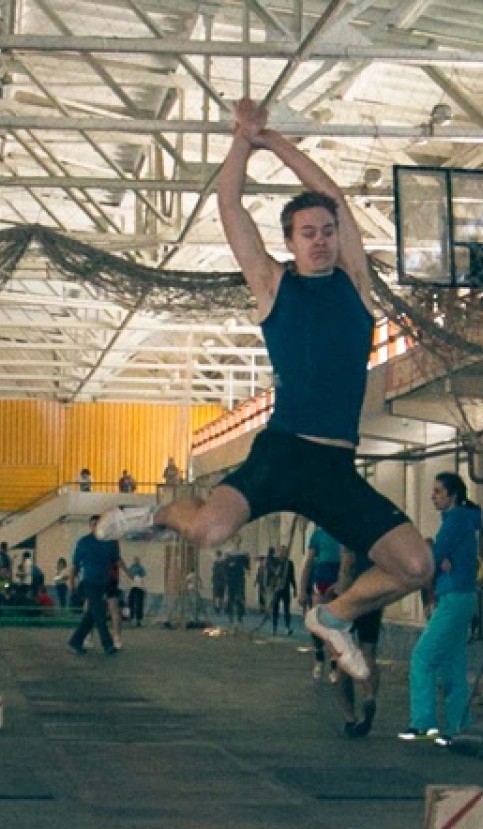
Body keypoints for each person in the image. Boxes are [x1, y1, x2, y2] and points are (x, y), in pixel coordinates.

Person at [93, 96, 431, 685]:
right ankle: (155, 513)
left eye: (327, 232)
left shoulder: (355, 285)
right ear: (291, 243)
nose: (321, 241)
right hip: (282, 452)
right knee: (208, 531)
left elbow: (335, 196)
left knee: (416, 565)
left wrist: (274, 139)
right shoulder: (273, 285)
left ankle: (334, 616)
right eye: (308, 234)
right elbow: (229, 205)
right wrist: (241, 140)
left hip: (335, 467)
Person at [401, 472, 482, 743]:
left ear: (453, 495)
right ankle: (458, 725)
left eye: (438, 492)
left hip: (453, 596)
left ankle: (423, 722)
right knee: (452, 664)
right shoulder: (464, 520)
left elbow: (432, 557)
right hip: (462, 595)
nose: (432, 497)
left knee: (422, 658)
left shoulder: (455, 520)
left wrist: (436, 559)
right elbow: (440, 557)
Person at [334, 548, 382, 739]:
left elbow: (348, 564)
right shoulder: (378, 537)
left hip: (351, 596)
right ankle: (370, 696)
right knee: (368, 651)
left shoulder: (348, 536)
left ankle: (350, 718)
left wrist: (340, 592)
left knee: (342, 654)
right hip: (374, 594)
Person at [67, 514, 120, 656]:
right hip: (89, 582)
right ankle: (108, 645)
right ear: (90, 526)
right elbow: (74, 565)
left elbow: (115, 561)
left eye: (98, 524)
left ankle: (75, 641)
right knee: (100, 613)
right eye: (93, 524)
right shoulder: (83, 542)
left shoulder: (109, 542)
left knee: (92, 614)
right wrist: (71, 585)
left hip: (103, 582)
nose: (96, 527)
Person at [299, 525, 344, 680]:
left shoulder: (345, 531)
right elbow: (308, 562)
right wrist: (302, 589)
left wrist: (342, 583)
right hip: (321, 581)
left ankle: (334, 662)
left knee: (336, 625)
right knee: (317, 621)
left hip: (340, 580)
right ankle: (319, 654)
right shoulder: (318, 535)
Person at [126, 556, 149, 626]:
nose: (136, 561)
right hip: (132, 586)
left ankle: (139, 619)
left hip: (139, 586)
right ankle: (131, 617)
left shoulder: (141, 568)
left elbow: (144, 576)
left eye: (137, 560)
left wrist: (144, 587)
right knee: (131, 601)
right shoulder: (131, 567)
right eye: (135, 560)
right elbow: (128, 575)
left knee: (139, 603)